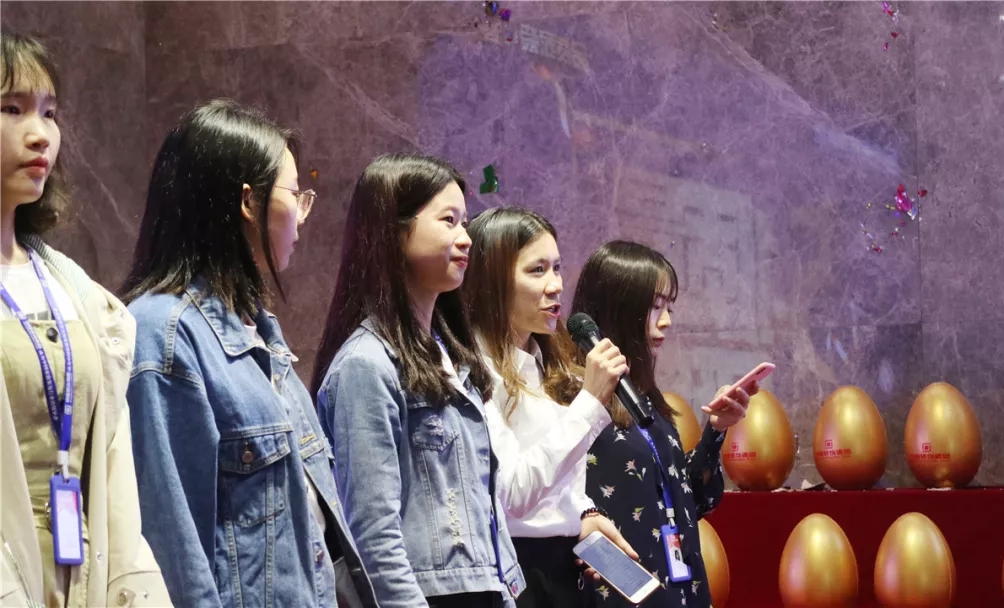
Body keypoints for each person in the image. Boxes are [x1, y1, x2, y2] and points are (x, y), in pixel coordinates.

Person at [121, 99, 376, 607]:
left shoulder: (259, 330)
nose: (302, 215)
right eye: (295, 194)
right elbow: (175, 550)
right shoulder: (164, 334)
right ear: (247, 201)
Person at [0, 30, 170, 607]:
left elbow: (112, 460)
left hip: (84, 575)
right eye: (12, 109)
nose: (40, 133)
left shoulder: (74, 288)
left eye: (50, 113)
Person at [311, 153, 524, 608]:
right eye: (449, 221)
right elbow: (374, 536)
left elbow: (485, 511)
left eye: (464, 222)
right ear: (395, 230)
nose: (466, 238)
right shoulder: (366, 364)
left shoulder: (453, 357)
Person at [461, 206, 638, 608]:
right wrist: (589, 402)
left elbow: (557, 482)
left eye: (557, 268)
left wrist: (584, 512)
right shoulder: (475, 370)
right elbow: (513, 493)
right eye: (537, 270)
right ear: (493, 282)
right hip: (515, 569)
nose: (556, 285)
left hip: (564, 565)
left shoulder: (546, 362)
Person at [571, 240, 756, 608]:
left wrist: (715, 430)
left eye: (669, 307)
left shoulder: (646, 401)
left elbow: (691, 501)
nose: (667, 320)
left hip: (678, 590)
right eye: (655, 307)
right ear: (619, 307)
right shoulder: (574, 398)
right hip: (619, 595)